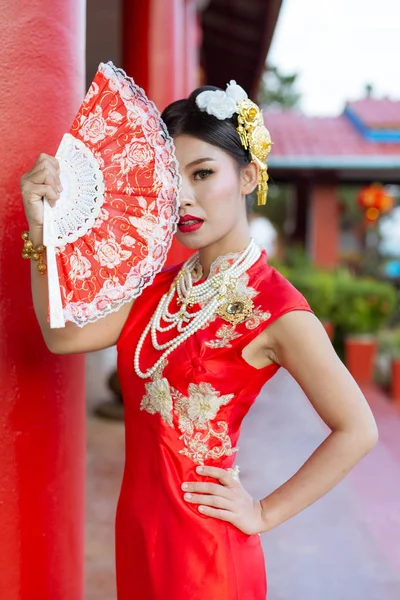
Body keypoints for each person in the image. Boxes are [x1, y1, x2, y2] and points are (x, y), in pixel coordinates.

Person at [20, 81, 378, 600]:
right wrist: (41, 230)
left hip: (207, 556)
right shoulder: (160, 286)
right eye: (172, 178)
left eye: (203, 173)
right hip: (139, 533)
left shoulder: (275, 307)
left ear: (248, 175)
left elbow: (358, 429)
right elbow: (61, 335)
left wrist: (263, 512)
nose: (182, 196)